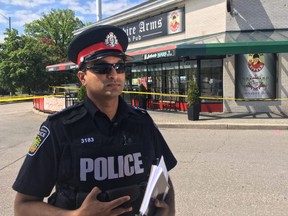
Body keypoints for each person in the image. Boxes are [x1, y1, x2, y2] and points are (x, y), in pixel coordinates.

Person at [13, 25, 177, 216]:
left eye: (119, 66)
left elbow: (164, 178)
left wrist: (169, 211)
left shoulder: (142, 122)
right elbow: (23, 206)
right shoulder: (59, 128)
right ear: (82, 77)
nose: (113, 74)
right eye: (101, 67)